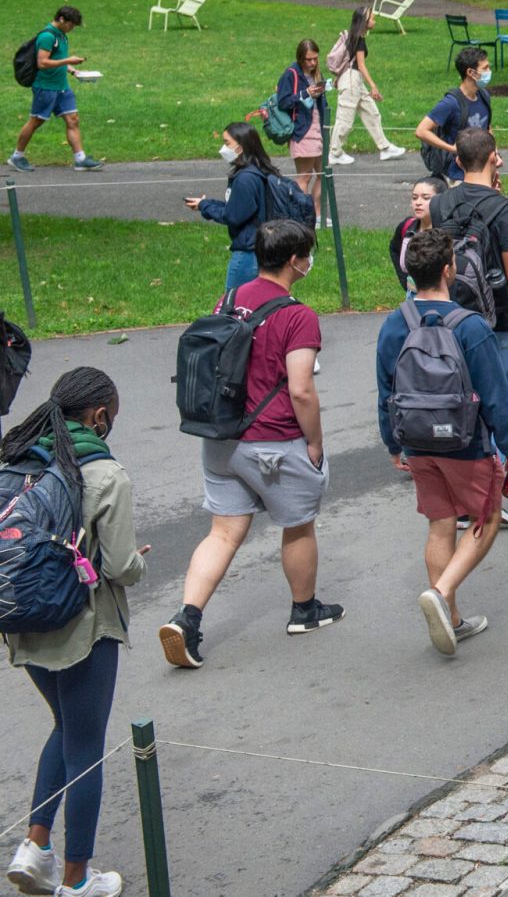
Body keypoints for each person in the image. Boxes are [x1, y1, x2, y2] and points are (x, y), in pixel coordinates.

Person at [158, 219, 341, 670]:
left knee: (223, 532)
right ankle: (304, 610)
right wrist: (314, 442)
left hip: (222, 439)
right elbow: (301, 389)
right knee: (297, 525)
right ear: (298, 261)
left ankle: (188, 618)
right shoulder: (298, 316)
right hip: (275, 442)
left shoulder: (231, 299)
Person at [3, 368, 143, 897]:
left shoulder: (17, 458)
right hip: (83, 626)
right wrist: (137, 566)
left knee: (64, 726)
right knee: (87, 746)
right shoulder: (105, 473)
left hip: (21, 619)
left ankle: (35, 848)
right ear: (99, 416)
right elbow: (122, 565)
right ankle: (77, 880)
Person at [375, 228, 508, 656]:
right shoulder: (470, 325)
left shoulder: (394, 322)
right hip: (465, 442)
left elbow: (385, 390)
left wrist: (393, 444)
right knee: (488, 517)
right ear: (449, 269)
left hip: (418, 440)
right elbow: (496, 396)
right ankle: (441, 594)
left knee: (440, 524)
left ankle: (452, 618)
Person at [428, 130, 508, 445]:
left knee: (467, 393)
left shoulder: (439, 204)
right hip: (500, 319)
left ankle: (472, 454)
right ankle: (495, 456)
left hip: (454, 316)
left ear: (457, 160)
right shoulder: (507, 210)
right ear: (494, 158)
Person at [188, 121, 290, 291]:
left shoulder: (245, 178)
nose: (223, 148)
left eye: (227, 143)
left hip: (248, 253)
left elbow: (233, 216)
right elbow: (239, 207)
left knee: (233, 306)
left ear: (241, 147)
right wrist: (205, 205)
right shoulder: (258, 171)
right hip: (261, 249)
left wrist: (206, 207)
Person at [9, 5, 103, 173]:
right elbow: (42, 63)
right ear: (61, 19)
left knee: (73, 119)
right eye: (71, 24)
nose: (72, 28)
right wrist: (69, 60)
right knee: (36, 121)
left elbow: (57, 58)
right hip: (46, 87)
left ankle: (80, 159)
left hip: (61, 87)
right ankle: (17, 157)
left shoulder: (62, 36)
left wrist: (72, 69)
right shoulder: (47, 36)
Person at [327, 7, 404, 166]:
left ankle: (385, 148)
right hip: (352, 82)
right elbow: (361, 65)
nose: (374, 21)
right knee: (345, 120)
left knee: (372, 112)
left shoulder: (354, 37)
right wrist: (373, 86)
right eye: (372, 19)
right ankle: (335, 153)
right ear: (364, 22)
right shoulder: (359, 39)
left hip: (354, 81)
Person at [415, 47, 494, 182]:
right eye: (485, 68)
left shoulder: (484, 95)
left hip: (481, 172)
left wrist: (494, 153)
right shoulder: (451, 103)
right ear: (471, 72)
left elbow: (487, 128)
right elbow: (421, 131)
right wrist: (452, 148)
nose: (489, 72)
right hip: (456, 176)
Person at [274, 39, 330, 227]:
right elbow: (283, 101)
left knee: (323, 173)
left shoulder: (316, 72)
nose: (313, 63)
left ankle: (317, 215)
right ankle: (304, 218)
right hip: (302, 130)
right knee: (305, 176)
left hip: (318, 126)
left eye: (315, 59)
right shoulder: (291, 74)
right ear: (300, 58)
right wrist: (305, 94)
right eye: (308, 60)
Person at [390, 176, 445, 293]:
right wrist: (405, 281)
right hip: (413, 297)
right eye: (414, 198)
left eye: (426, 198)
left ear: (441, 200)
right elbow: (394, 249)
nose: (418, 203)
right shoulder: (406, 227)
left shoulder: (447, 232)